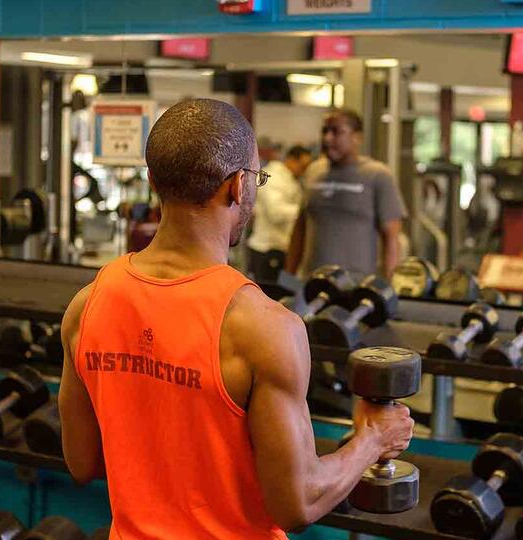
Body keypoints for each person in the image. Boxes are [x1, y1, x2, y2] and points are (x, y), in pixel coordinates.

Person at [58, 99, 414, 539]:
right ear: (239, 187)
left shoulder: (86, 306)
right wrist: (374, 438)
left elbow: (82, 462)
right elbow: (299, 502)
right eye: (258, 178)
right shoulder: (265, 329)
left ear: (153, 181)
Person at [286, 109, 406, 279]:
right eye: (325, 131)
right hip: (311, 285)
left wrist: (389, 287)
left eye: (336, 131)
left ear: (357, 137)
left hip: (357, 290)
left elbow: (392, 238)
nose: (327, 138)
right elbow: (299, 229)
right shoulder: (313, 171)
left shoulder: (378, 175)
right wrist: (288, 278)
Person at [246, 144, 313, 282]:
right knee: (269, 297)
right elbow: (275, 212)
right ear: (291, 160)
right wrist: (305, 212)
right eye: (303, 166)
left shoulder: (290, 179)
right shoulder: (273, 177)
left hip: (282, 249)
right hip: (268, 250)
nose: (304, 171)